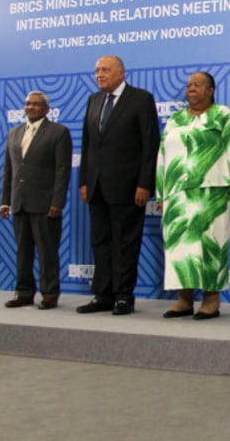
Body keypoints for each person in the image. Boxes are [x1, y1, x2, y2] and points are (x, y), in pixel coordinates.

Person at [156, 71, 230, 320]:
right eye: (188, 85)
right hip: (178, 194)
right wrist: (161, 193)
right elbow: (162, 156)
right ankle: (184, 300)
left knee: (211, 246)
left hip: (213, 193)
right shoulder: (175, 119)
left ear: (211, 90)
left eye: (198, 85)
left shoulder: (222, 115)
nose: (191, 89)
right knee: (181, 249)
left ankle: (211, 300)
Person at [77, 55, 160, 316]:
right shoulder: (94, 100)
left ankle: (124, 296)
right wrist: (83, 181)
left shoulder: (141, 99)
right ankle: (103, 294)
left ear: (121, 73)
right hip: (96, 186)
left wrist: (145, 183)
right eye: (96, 70)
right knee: (100, 241)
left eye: (105, 70)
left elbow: (150, 144)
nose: (99, 74)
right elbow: (88, 144)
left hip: (128, 186)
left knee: (126, 243)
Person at [0, 91, 72, 309]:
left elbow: (62, 170)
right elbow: (8, 170)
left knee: (47, 250)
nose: (31, 107)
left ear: (46, 109)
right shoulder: (14, 133)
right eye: (28, 104)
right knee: (23, 251)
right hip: (19, 202)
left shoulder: (58, 133)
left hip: (45, 203)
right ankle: (24, 293)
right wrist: (5, 201)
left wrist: (57, 202)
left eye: (36, 104)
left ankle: (50, 294)